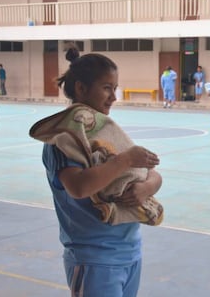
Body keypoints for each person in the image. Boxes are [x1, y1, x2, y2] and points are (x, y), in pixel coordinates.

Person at [29, 50, 162, 297]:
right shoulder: (63, 139)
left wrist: (146, 188)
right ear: (81, 88)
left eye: (115, 88)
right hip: (94, 257)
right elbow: (78, 187)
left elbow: (150, 173)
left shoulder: (105, 132)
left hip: (129, 250)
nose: (113, 97)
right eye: (106, 88)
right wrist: (125, 159)